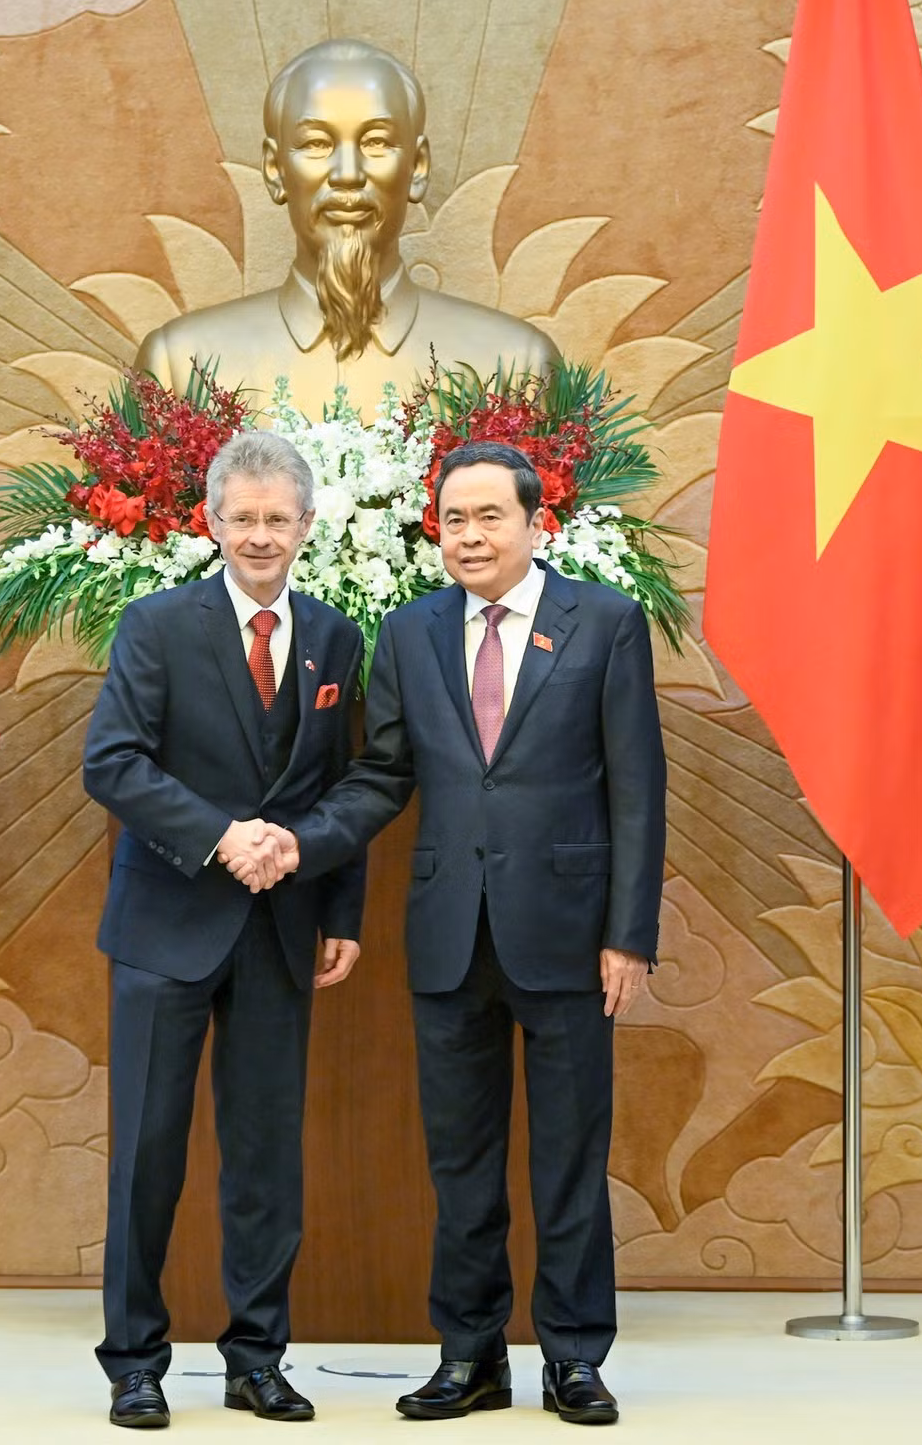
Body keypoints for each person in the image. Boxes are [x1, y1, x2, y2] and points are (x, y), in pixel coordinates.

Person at [244, 440, 667, 1426]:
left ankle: (572, 1358)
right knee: (460, 1161)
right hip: (445, 933)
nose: (470, 536)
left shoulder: (601, 624)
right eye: (454, 520)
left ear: (534, 524)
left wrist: (629, 934)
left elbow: (637, 791)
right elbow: (381, 776)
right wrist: (301, 845)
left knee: (568, 1155)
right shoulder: (409, 632)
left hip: (569, 935)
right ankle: (469, 1355)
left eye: (490, 517)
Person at [81, 430, 365, 1429]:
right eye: (241, 517)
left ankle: (256, 1356)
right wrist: (220, 836)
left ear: (306, 526)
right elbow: (111, 765)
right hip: (166, 929)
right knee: (148, 1154)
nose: (258, 535)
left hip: (282, 932)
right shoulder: (155, 625)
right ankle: (133, 1361)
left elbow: (341, 781)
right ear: (210, 520)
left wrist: (340, 910)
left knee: (263, 1158)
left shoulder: (334, 636)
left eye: (275, 519)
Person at [136, 37, 558, 416]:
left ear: (418, 167)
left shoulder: (517, 368)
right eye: (316, 144)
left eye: (376, 142)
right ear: (274, 169)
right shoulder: (179, 368)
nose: (348, 174)